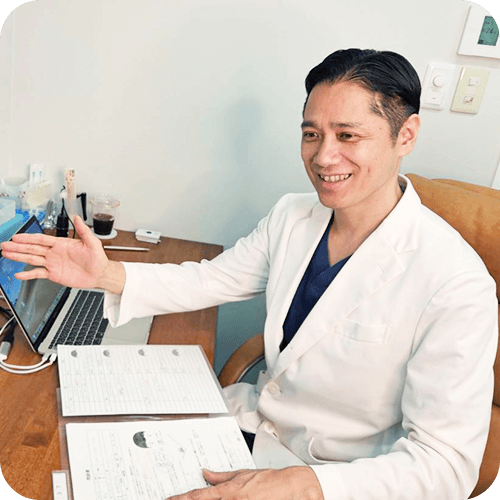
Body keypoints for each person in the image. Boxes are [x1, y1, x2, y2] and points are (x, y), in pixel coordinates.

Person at [1, 49, 497, 500]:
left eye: (348, 136)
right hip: (248, 432)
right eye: (311, 134)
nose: (323, 157)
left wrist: (307, 485)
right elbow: (210, 280)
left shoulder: (456, 284)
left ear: (405, 135)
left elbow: (446, 468)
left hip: (337, 479)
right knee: (76, 451)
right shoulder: (293, 216)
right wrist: (106, 274)